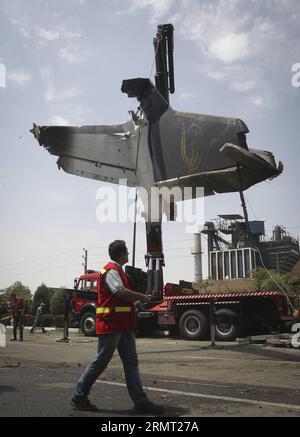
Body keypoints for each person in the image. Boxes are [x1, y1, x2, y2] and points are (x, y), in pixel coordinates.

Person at [70, 240, 164, 415]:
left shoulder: (119, 272)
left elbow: (122, 300)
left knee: (131, 362)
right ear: (121, 253)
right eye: (127, 251)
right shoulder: (111, 271)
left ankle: (140, 401)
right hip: (112, 324)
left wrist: (138, 304)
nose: (128, 254)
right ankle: (79, 396)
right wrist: (141, 297)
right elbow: (118, 292)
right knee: (100, 362)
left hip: (123, 325)